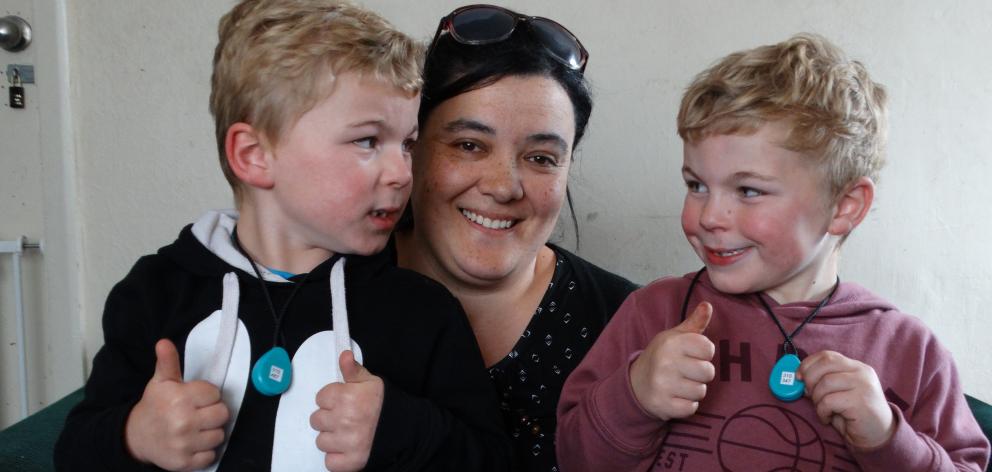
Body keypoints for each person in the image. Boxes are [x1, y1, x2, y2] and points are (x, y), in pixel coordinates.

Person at [54, 1, 511, 470]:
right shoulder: (155, 293)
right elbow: (74, 450)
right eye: (367, 140)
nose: (401, 172)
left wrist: (399, 426)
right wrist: (136, 436)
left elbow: (491, 460)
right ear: (253, 155)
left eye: (408, 144)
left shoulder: (422, 313)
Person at [557, 33, 991, 471]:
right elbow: (572, 459)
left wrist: (889, 440)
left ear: (844, 207)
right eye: (696, 185)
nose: (709, 216)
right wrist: (634, 397)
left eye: (748, 190)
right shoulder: (654, 314)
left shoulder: (911, 352)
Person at [391, 5, 637, 471]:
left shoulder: (631, 325)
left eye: (541, 158)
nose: (504, 186)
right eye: (469, 145)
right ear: (414, 147)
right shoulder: (327, 290)